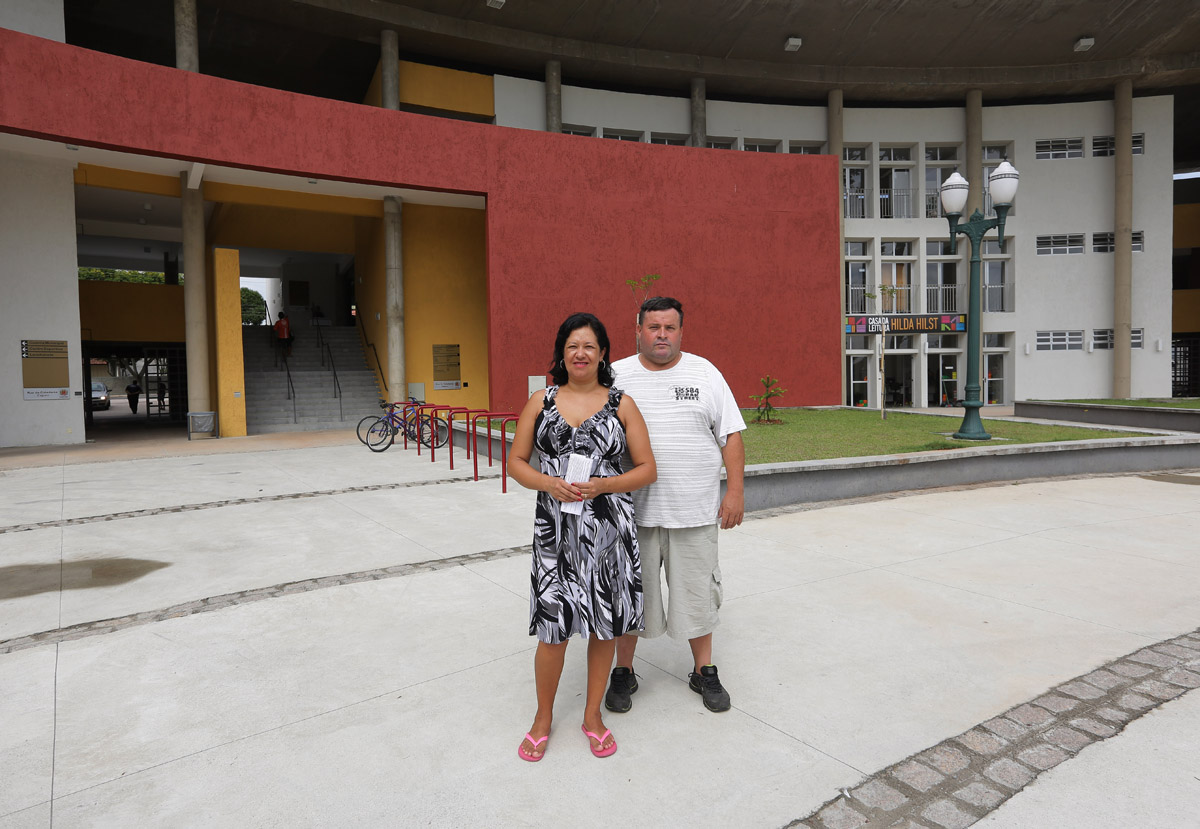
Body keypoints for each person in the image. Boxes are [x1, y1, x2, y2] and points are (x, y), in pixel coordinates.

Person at [508, 312, 656, 762]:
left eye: (589, 345)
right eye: (572, 345)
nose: (580, 353)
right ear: (562, 352)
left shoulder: (622, 404)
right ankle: (542, 718)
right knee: (552, 630)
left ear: (603, 353)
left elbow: (647, 469)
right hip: (555, 532)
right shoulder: (541, 401)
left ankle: (592, 716)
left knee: (604, 626)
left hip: (609, 531)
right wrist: (548, 483)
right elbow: (516, 462)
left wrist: (604, 485)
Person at [606, 296, 746, 713]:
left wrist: (735, 492)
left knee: (698, 597)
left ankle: (704, 671)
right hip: (632, 515)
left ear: (682, 331)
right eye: (654, 327)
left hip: (694, 512)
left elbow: (730, 435)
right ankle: (623, 671)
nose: (662, 335)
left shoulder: (705, 373)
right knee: (631, 598)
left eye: (670, 328)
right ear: (638, 331)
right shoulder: (616, 376)